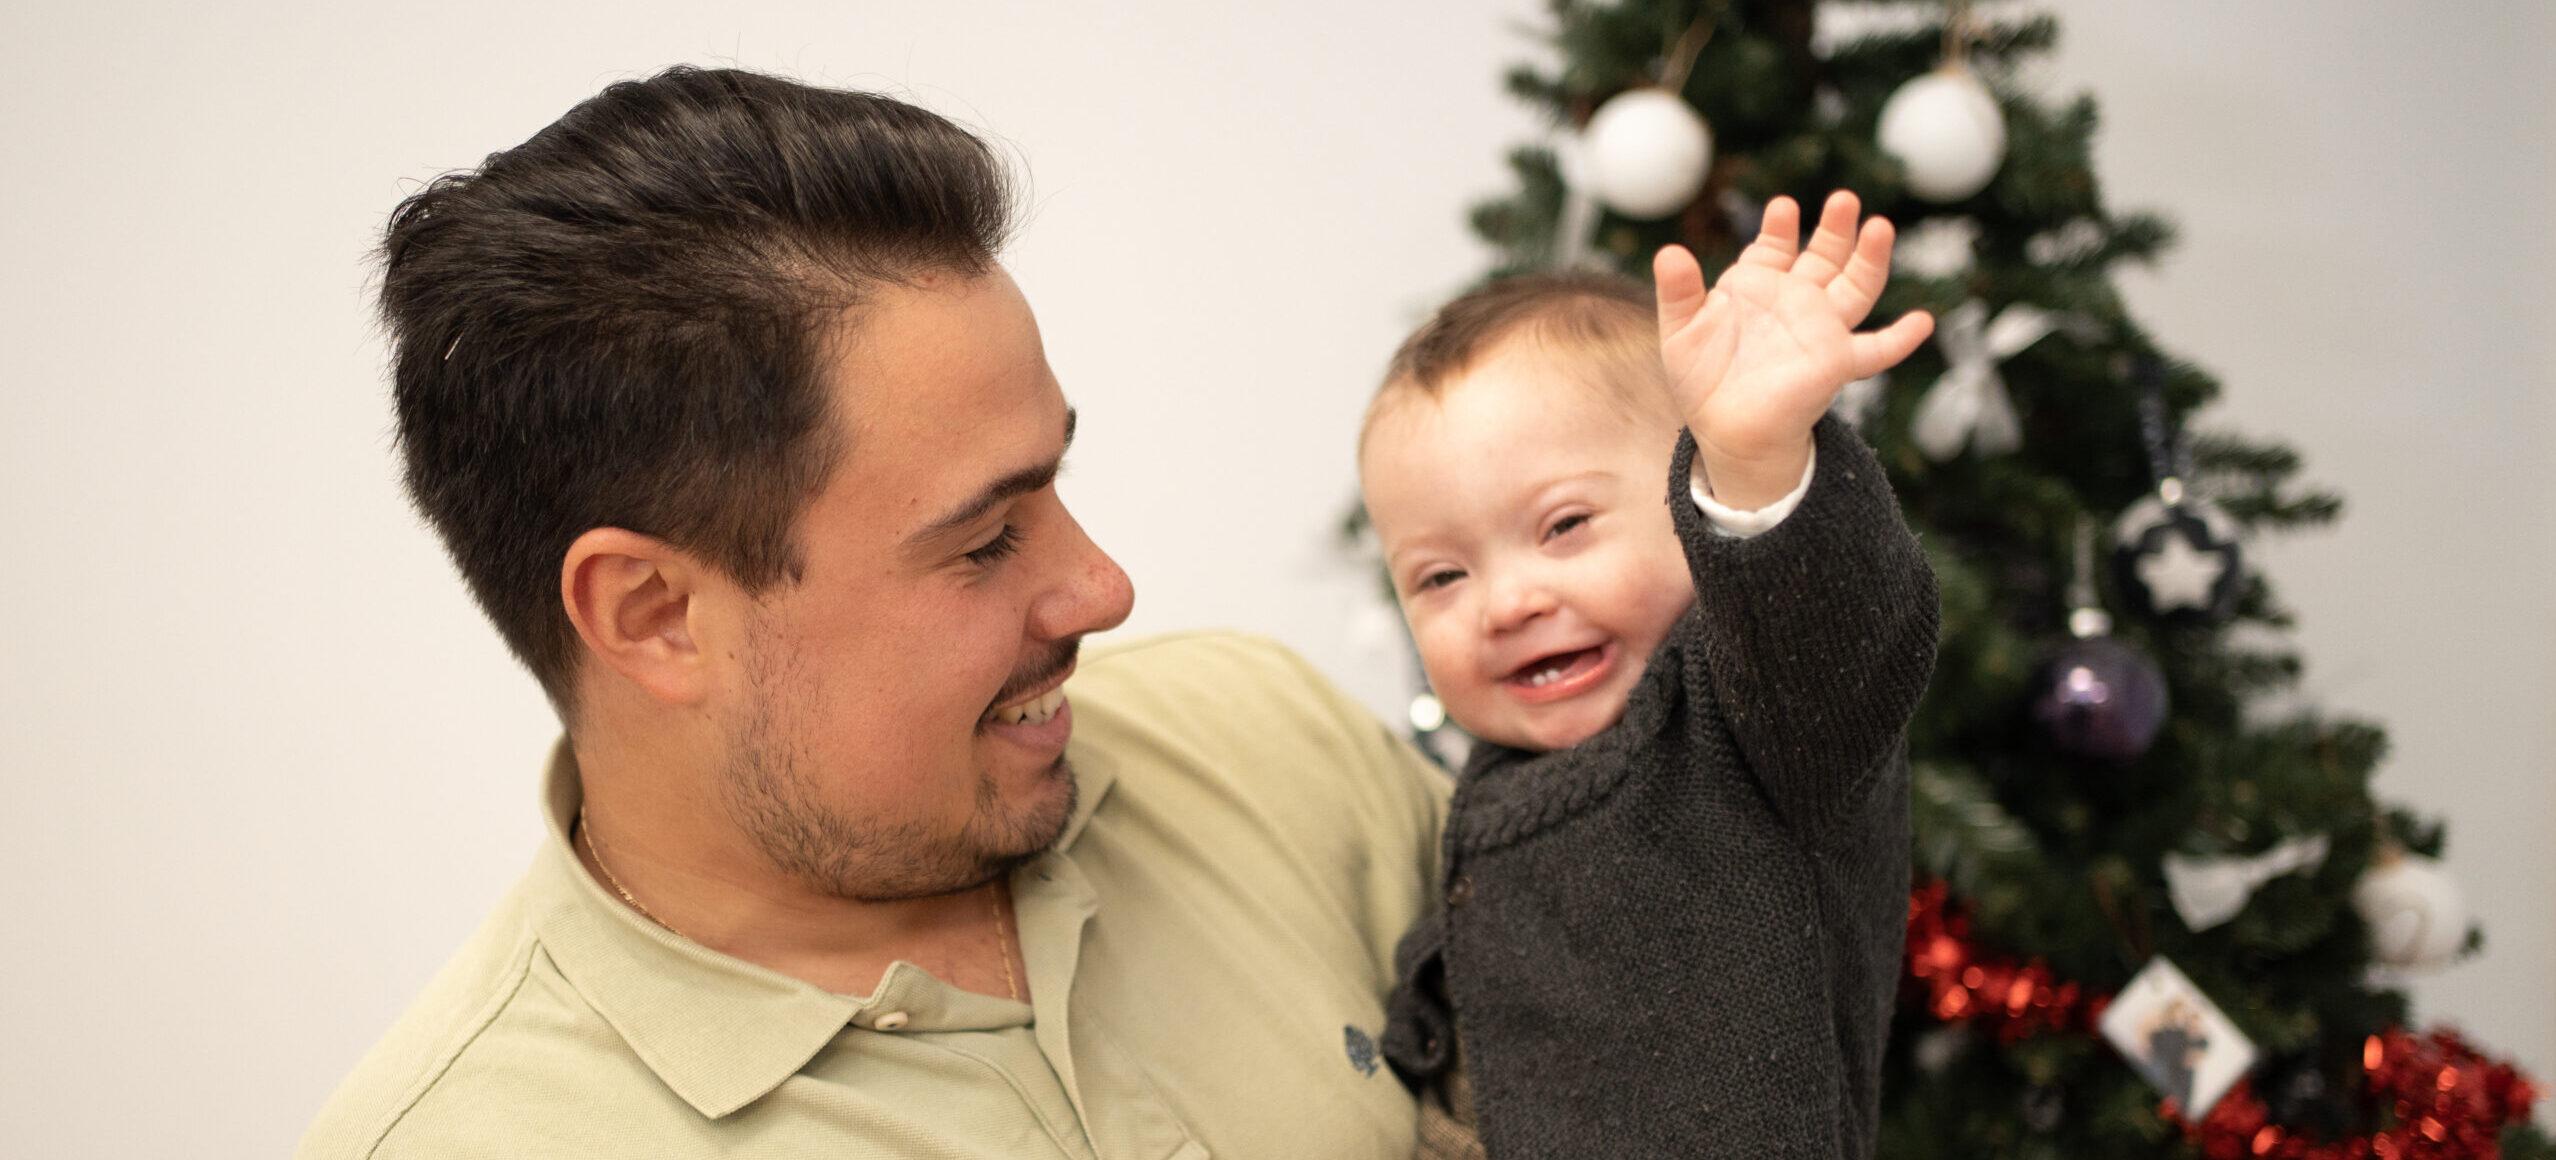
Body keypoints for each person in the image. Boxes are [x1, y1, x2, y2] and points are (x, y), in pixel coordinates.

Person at [298, 66, 1451, 1159]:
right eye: (984, 539)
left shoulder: (1262, 735)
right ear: (652, 613)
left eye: (1056, 481)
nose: (1105, 587)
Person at [1357, 194, 1941, 1159]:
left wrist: (1754, 461)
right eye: (1442, 577)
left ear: (1688, 497)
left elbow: (1842, 633)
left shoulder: (1757, 723)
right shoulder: (1505, 774)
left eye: (1564, 527)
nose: (1506, 604)